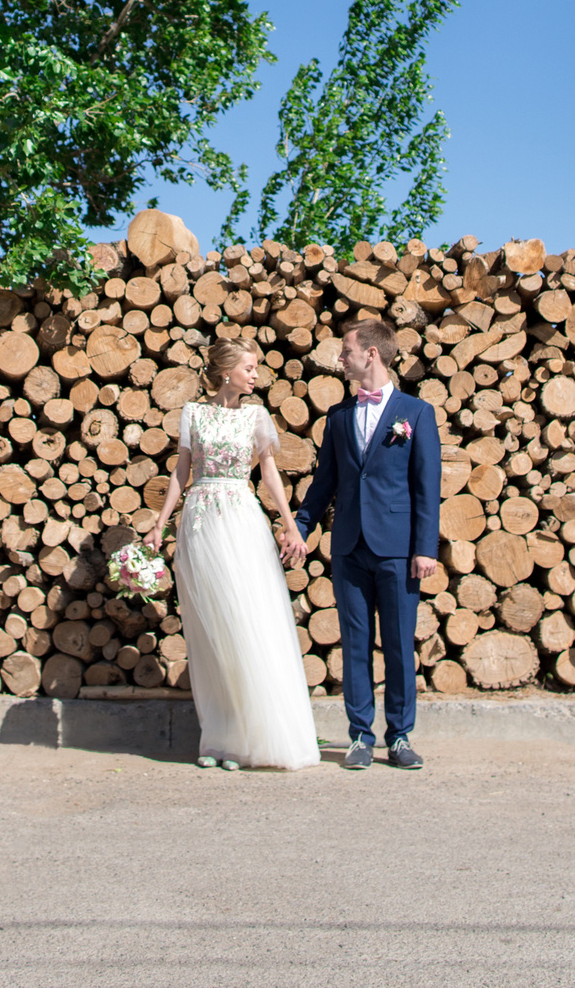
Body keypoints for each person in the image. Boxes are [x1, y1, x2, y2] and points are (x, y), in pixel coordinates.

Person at [142, 338, 320, 771]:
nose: (256, 374)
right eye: (249, 367)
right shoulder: (193, 414)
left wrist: (291, 524)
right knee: (212, 633)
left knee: (245, 622)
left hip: (241, 520)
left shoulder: (257, 416)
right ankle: (219, 738)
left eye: (256, 367)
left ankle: (250, 738)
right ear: (226, 371)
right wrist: (161, 521)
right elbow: (181, 471)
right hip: (201, 523)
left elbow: (270, 476)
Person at [292, 319, 441, 771]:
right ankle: (360, 735)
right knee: (355, 642)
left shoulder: (416, 414)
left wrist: (425, 547)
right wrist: (300, 524)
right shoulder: (337, 417)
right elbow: (326, 482)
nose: (341, 358)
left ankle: (399, 737)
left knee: (397, 645)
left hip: (398, 548)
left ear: (371, 354)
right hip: (349, 546)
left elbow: (426, 485)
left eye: (346, 350)